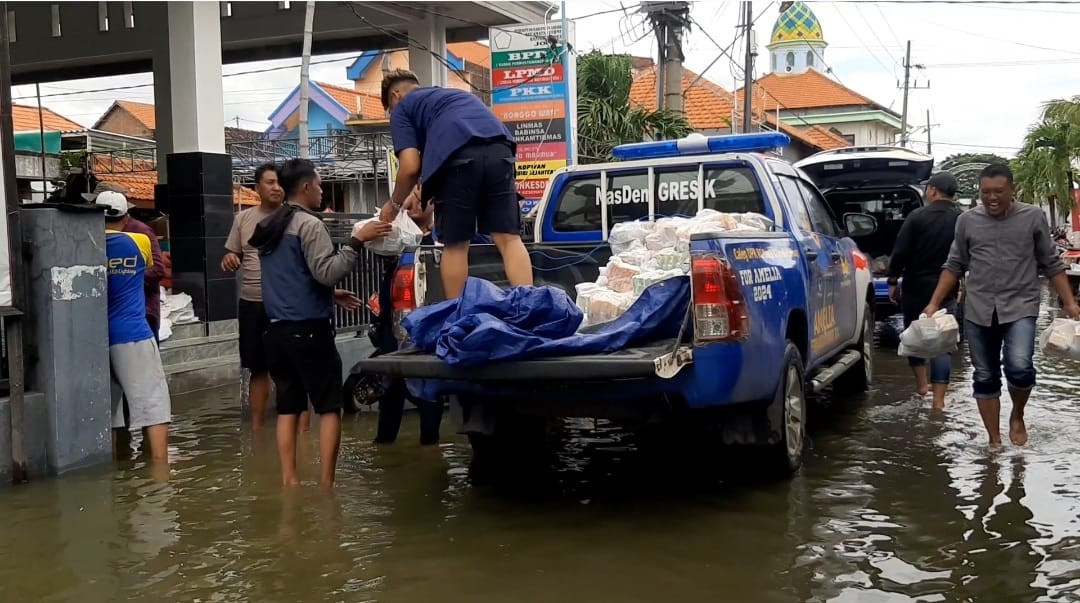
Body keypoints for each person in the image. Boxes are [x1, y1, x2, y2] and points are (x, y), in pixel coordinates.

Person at [249, 158, 391, 488]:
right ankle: (327, 485)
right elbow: (326, 270)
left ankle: (290, 482)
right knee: (329, 408)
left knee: (288, 408)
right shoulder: (308, 225)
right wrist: (358, 240)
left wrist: (330, 294)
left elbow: (292, 277)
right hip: (310, 331)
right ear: (306, 187)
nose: (323, 190)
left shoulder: (270, 226)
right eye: (321, 185)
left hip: (275, 331)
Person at [924, 164, 1080, 447]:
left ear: (1012, 191)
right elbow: (955, 264)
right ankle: (994, 442)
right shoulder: (967, 221)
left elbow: (1050, 262)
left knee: (1020, 368)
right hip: (978, 308)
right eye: (986, 193)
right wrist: (933, 304)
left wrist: (1069, 302)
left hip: (1021, 305)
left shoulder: (1032, 216)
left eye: (999, 192)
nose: (992, 198)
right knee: (984, 375)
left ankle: (1017, 414)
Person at [378, 68, 533, 299]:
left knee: (456, 244)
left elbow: (409, 165)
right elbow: (439, 153)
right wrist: (415, 191)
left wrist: (394, 204)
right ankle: (529, 305)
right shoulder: (451, 97)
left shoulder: (402, 108)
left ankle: (459, 319)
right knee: (508, 238)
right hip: (500, 149)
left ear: (395, 96)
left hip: (458, 159)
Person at [223, 162, 316, 431]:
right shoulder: (243, 219)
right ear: (257, 188)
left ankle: (303, 429)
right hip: (252, 303)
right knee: (257, 367)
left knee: (296, 365)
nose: (276, 188)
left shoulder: (297, 218)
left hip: (287, 303)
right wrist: (230, 257)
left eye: (279, 183)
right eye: (270, 183)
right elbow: (234, 254)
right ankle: (256, 430)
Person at [100, 190, 172, 461]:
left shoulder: (85, 245)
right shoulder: (139, 240)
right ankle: (160, 471)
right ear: (125, 214)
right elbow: (156, 270)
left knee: (109, 410)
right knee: (154, 405)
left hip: (96, 335)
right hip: (132, 333)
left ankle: (114, 468)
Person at [373, 185, 443, 445]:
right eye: (406, 201)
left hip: (425, 330)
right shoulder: (398, 239)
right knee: (390, 388)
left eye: (416, 201)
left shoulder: (437, 243)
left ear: (433, 205)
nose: (408, 207)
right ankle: (383, 445)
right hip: (394, 327)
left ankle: (430, 448)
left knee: (428, 390)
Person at [887, 172, 963, 409]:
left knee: (915, 335)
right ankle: (939, 400)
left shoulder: (917, 217)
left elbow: (901, 251)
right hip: (948, 286)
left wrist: (892, 279)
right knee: (943, 341)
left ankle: (922, 386)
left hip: (915, 285)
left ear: (932, 190)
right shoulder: (961, 218)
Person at [86, 181, 165, 340]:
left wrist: (124, 275)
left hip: (140, 315)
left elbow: (157, 270)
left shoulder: (140, 233)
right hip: (105, 315)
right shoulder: (91, 232)